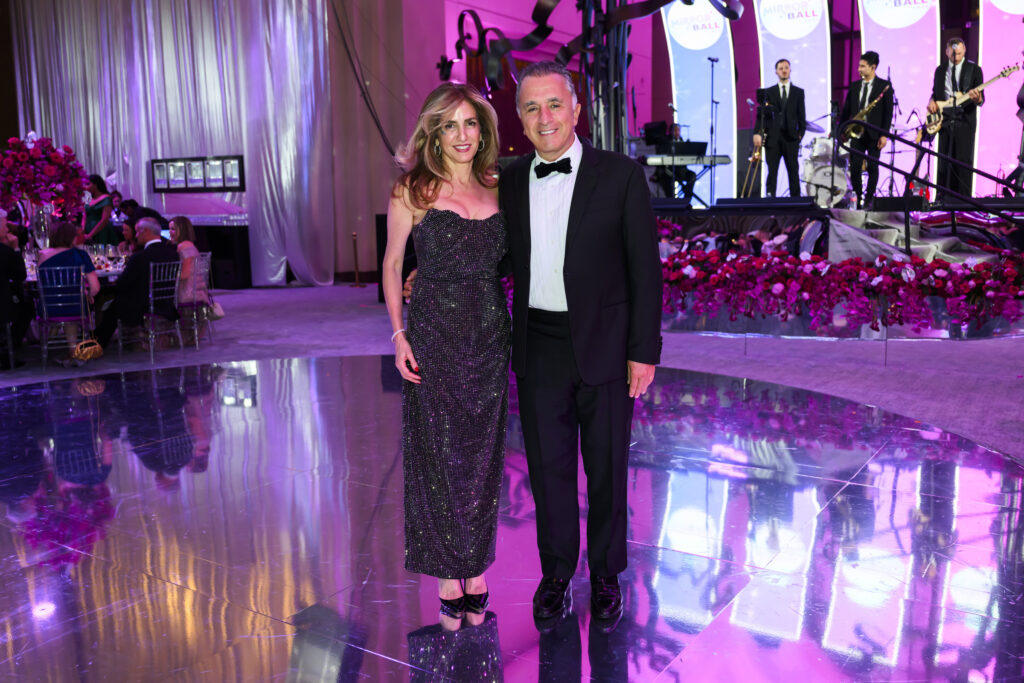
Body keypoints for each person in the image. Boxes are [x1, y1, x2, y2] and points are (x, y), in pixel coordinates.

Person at [498, 61, 662, 627]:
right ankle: (557, 572)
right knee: (548, 469)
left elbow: (646, 270)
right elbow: (489, 250)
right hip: (538, 343)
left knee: (608, 465)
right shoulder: (512, 179)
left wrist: (644, 350)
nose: (545, 117)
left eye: (554, 105)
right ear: (519, 119)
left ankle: (609, 574)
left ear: (576, 109)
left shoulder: (619, 175)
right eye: (532, 108)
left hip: (608, 345)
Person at [381, 82, 509, 628]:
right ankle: (444, 573)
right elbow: (392, 266)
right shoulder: (412, 189)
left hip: (490, 336)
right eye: (450, 124)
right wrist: (397, 334)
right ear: (434, 130)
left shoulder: (501, 186)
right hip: (432, 334)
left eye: (471, 123)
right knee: (435, 455)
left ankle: (475, 568)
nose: (462, 135)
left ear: (483, 129)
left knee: (482, 458)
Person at [94, 217, 180, 349]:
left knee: (114, 304)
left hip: (143, 306)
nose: (136, 236)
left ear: (145, 231)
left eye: (138, 232)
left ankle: (96, 343)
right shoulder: (173, 253)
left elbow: (123, 284)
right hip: (167, 302)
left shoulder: (140, 257)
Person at [37, 222, 102, 364]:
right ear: (72, 237)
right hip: (76, 307)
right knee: (75, 302)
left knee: (66, 305)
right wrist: (88, 294)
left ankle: (56, 347)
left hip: (49, 307)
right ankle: (74, 352)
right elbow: (96, 287)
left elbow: (42, 284)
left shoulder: (42, 255)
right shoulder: (80, 255)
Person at [928, 37, 984, 199]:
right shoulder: (940, 70)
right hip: (944, 120)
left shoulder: (974, 70)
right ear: (947, 51)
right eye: (953, 54)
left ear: (964, 50)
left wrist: (977, 98)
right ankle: (942, 200)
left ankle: (964, 202)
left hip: (964, 120)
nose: (956, 57)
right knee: (944, 163)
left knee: (963, 163)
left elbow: (981, 100)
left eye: (959, 53)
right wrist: (931, 101)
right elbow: (935, 92)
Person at [840, 51, 894, 209]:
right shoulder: (855, 86)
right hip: (856, 133)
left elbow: (888, 113)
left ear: (873, 67)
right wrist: (842, 129)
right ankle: (857, 199)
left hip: (874, 133)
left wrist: (884, 135)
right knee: (855, 167)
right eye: (859, 65)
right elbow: (846, 109)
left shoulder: (884, 86)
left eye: (863, 66)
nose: (859, 69)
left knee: (872, 166)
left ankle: (869, 200)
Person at [753, 58, 806, 198]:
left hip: (791, 139)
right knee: (772, 171)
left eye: (786, 67)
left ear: (790, 70)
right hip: (773, 138)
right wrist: (757, 133)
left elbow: (802, 117)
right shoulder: (768, 92)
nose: (784, 70)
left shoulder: (798, 92)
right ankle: (770, 200)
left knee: (793, 171)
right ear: (776, 71)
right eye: (781, 68)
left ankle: (796, 201)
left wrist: (799, 135)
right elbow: (761, 115)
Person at [169, 216, 208, 304]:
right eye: (169, 229)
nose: (169, 232)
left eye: (173, 229)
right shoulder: (188, 244)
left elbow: (185, 274)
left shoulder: (183, 246)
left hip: (188, 293)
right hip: (195, 290)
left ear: (182, 230)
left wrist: (169, 277)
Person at [82, 175, 119, 246]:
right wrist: (83, 230)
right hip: (88, 229)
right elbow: (84, 216)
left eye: (88, 184)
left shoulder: (106, 198)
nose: (86, 187)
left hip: (101, 231)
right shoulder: (88, 198)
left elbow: (104, 219)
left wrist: (91, 234)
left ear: (95, 185)